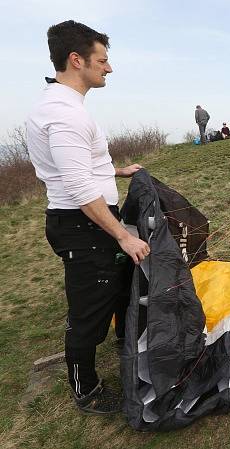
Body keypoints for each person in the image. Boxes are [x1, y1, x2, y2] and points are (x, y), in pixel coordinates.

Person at [25, 20, 150, 414]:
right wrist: (123, 236)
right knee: (87, 312)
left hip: (87, 220)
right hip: (83, 224)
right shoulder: (65, 115)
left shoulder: (61, 107)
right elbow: (79, 189)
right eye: (103, 60)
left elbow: (76, 166)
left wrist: (116, 171)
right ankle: (87, 390)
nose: (108, 68)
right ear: (77, 60)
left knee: (113, 288)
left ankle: (123, 341)